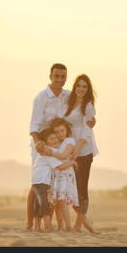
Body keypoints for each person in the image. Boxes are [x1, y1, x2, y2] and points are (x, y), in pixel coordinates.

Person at [27, 63, 95, 230]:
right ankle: (30, 222)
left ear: (66, 78)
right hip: (42, 145)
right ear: (50, 76)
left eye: (63, 77)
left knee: (54, 184)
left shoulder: (68, 95)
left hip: (60, 145)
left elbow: (83, 105)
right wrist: (38, 142)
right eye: (56, 76)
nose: (59, 79)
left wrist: (92, 118)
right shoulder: (41, 97)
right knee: (39, 182)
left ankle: (52, 222)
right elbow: (34, 125)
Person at [59, 74, 99, 233]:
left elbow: (87, 130)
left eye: (84, 86)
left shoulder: (88, 106)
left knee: (82, 187)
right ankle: (85, 223)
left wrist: (77, 148)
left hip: (83, 149)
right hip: (70, 148)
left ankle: (77, 226)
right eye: (79, 86)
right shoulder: (67, 102)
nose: (81, 89)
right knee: (72, 187)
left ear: (88, 89)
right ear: (74, 87)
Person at [32, 128, 77, 232]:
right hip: (42, 180)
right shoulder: (46, 151)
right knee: (44, 204)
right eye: (51, 139)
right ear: (46, 142)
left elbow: (60, 156)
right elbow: (60, 167)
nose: (55, 140)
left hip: (39, 180)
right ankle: (49, 227)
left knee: (39, 203)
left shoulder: (49, 150)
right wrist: (72, 163)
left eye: (55, 137)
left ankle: (37, 227)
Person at [47, 117, 79, 231]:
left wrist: (50, 153)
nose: (60, 134)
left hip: (66, 174)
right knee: (56, 201)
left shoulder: (69, 141)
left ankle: (68, 226)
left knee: (63, 200)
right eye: (57, 132)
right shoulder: (54, 142)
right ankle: (60, 225)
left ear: (66, 130)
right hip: (56, 174)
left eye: (62, 131)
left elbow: (65, 155)